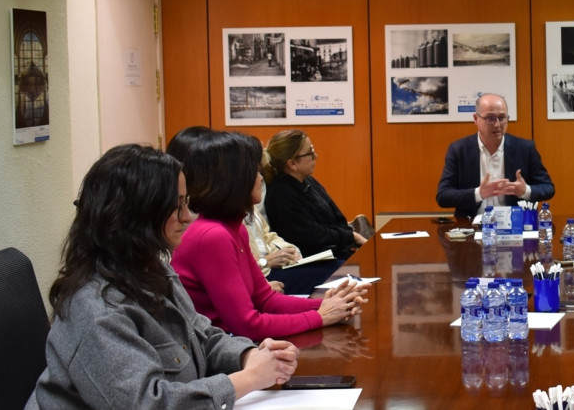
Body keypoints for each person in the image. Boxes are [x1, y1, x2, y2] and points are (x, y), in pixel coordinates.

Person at [26, 144, 299, 409]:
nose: (188, 217)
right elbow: (146, 403)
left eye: (186, 203)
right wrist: (249, 378)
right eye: (176, 206)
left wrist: (249, 356)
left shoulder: (153, 268)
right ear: (140, 214)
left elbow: (202, 336)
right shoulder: (96, 309)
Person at [172, 131, 366, 340]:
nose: (261, 179)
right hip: (221, 352)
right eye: (255, 171)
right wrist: (320, 316)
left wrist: (329, 304)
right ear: (234, 180)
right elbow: (248, 325)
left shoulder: (232, 227)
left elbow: (266, 300)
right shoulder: (213, 236)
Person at [436, 93, 555, 218]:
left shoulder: (525, 148)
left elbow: (548, 188)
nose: (497, 124)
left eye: (502, 117)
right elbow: (443, 196)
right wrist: (479, 193)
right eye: (490, 118)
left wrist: (525, 191)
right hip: (472, 227)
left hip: (515, 226)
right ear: (476, 119)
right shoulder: (459, 150)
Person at [263, 129, 368, 264]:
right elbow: (311, 235)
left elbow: (337, 218)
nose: (316, 156)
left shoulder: (308, 181)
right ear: (292, 164)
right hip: (316, 259)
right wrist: (351, 236)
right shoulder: (281, 194)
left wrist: (350, 237)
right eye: (310, 152)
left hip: (337, 250)